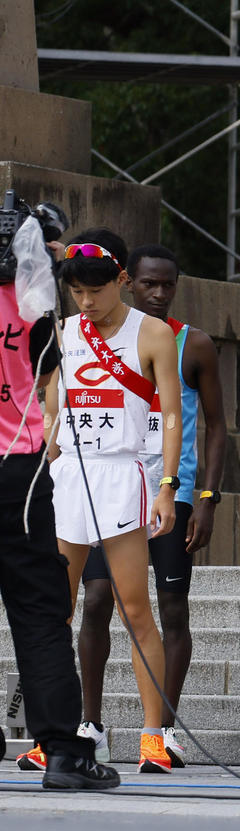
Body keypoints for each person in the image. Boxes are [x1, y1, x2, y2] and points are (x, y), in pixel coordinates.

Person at [35, 227, 183, 775]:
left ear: (121, 278)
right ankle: (54, 733)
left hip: (125, 472)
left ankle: (153, 735)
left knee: (135, 608)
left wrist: (168, 485)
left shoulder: (153, 334)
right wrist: (46, 465)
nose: (87, 301)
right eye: (77, 291)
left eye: (96, 289)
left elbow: (171, 414)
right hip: (70, 473)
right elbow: (52, 403)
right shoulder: (62, 331)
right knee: (57, 609)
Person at [75, 245, 227, 768]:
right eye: (148, 284)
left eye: (167, 285)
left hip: (168, 494)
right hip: (102, 486)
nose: (158, 293)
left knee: (168, 610)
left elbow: (215, 427)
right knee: (95, 601)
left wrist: (206, 497)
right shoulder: (81, 335)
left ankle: (160, 729)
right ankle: (88, 724)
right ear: (128, 282)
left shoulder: (192, 343)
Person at [1, 214, 119, 789]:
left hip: (20, 468)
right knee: (40, 610)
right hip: (17, 469)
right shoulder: (33, 302)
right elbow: (49, 365)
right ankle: (65, 754)